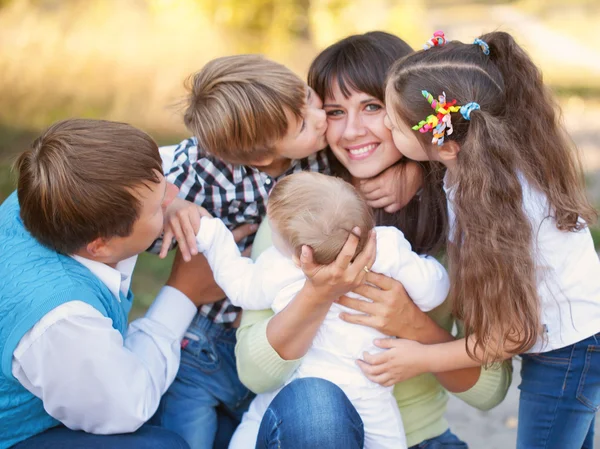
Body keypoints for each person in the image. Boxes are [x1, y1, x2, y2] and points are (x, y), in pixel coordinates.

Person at [234, 31, 512, 449]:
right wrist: (318, 292)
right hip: (313, 431)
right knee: (319, 403)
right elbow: (254, 374)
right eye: (334, 111)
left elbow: (489, 389)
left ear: (407, 107)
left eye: (371, 107)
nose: (350, 131)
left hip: (418, 438)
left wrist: (409, 323)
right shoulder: (302, 210)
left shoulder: (459, 212)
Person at [151, 54, 411, 449]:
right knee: (183, 441)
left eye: (307, 96)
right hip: (205, 341)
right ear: (260, 156)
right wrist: (169, 206)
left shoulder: (317, 154)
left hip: (276, 331)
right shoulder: (201, 170)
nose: (320, 115)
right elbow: (135, 191)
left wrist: (409, 173)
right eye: (305, 121)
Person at [382, 31, 600, 449]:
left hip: (571, 350)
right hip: (572, 337)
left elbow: (510, 334)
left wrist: (422, 359)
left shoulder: (498, 208)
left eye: (394, 126)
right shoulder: (481, 160)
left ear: (444, 144)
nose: (386, 128)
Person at [179, 171, 448, 448]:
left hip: (301, 387)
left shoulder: (280, 267)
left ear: (299, 256)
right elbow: (433, 293)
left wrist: (212, 235)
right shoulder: (386, 248)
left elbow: (239, 286)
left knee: (254, 428)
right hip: (370, 394)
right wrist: (424, 265)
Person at [0, 119, 203, 449]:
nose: (175, 196)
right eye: (157, 206)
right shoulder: (62, 318)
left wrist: (164, 201)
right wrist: (184, 292)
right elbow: (126, 407)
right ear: (100, 245)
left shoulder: (51, 196)